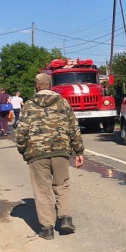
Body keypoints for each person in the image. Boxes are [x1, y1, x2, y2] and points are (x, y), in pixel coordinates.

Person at [16, 73, 84, 240]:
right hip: (61, 150)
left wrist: (23, 150)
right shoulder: (63, 102)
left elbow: (21, 131)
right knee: (62, 185)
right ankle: (66, 218)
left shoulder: (29, 105)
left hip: (37, 153)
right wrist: (79, 151)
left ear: (37, 85)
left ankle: (47, 229)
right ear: (50, 84)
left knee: (42, 190)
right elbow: (73, 128)